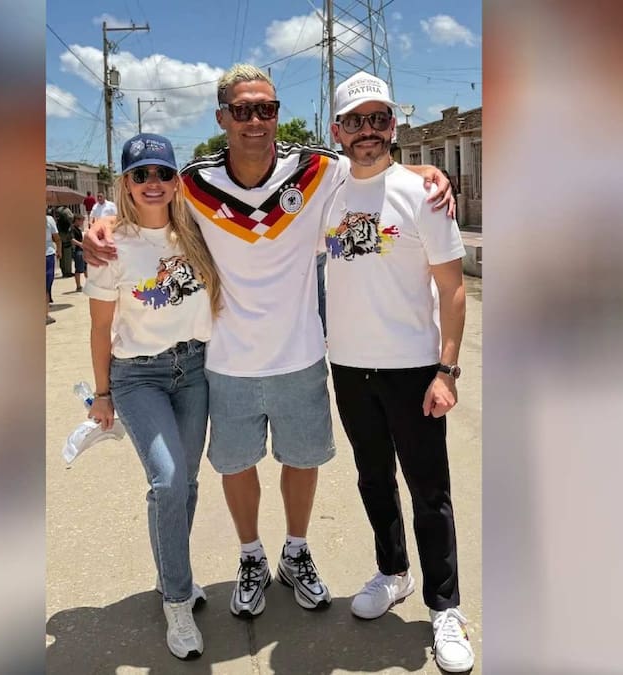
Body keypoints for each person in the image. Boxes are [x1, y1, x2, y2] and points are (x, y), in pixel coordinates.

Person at [84, 64, 454, 621]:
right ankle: (251, 555)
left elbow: (374, 165)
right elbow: (148, 203)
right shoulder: (195, 182)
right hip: (227, 361)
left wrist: (428, 171)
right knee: (237, 465)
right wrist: (103, 223)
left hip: (301, 356)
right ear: (222, 117)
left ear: (278, 114)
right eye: (242, 110)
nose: (255, 120)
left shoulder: (317, 169)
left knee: (302, 461)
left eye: (266, 109)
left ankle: (296, 551)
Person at [323, 72, 473, 672]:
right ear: (337, 130)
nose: (367, 131)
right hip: (349, 365)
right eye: (355, 121)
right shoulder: (325, 192)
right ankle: (393, 573)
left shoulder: (422, 194)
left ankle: (445, 606)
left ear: (394, 125)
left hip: (414, 367)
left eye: (379, 119)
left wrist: (447, 370)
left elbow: (453, 288)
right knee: (373, 479)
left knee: (429, 490)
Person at [83, 133, 223, 660]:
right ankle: (177, 600)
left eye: (163, 172)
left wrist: (419, 173)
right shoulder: (110, 246)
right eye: (141, 174)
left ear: (176, 180)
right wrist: (101, 394)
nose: (153, 183)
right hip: (138, 376)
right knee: (167, 481)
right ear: (125, 183)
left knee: (186, 484)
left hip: (195, 369)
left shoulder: (198, 231)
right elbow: (100, 329)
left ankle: (171, 574)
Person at [46, 214, 61, 323]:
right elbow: (56, 237)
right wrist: (59, 250)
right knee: (45, 287)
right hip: (47, 255)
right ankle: (45, 315)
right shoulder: (49, 219)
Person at [70, 214, 88, 292]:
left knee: (85, 268)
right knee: (78, 269)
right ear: (77, 220)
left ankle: (89, 284)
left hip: (82, 250)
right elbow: (72, 239)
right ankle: (78, 286)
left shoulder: (78, 229)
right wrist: (80, 244)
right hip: (77, 251)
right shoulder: (72, 229)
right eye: (81, 221)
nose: (82, 223)